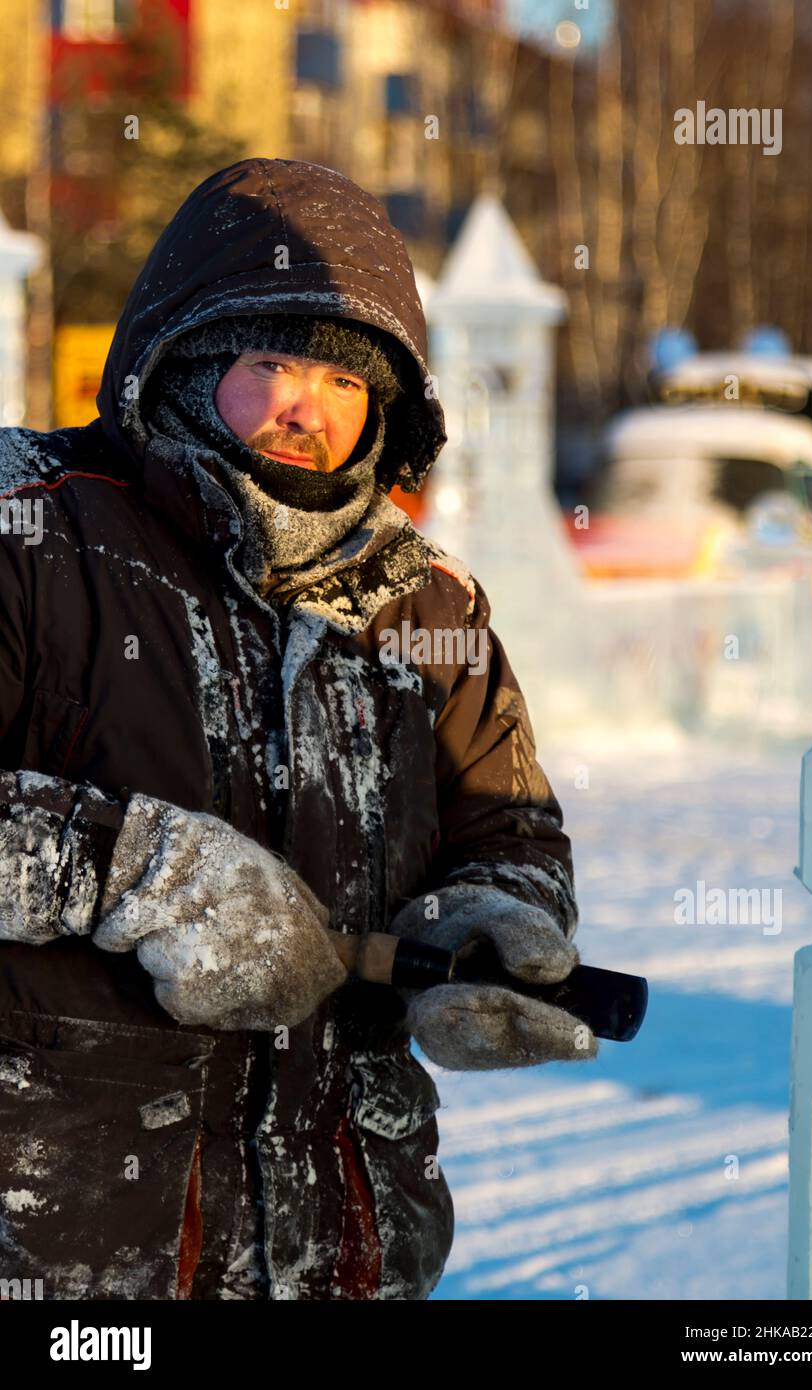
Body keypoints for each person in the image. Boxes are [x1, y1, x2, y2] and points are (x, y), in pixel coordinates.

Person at [0, 158, 597, 1302]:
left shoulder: (430, 606)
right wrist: (135, 870)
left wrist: (491, 921)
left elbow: (511, 829)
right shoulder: (34, 530)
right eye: (268, 361)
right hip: (71, 1247)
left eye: (340, 379)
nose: (302, 409)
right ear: (181, 358)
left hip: (343, 1243)